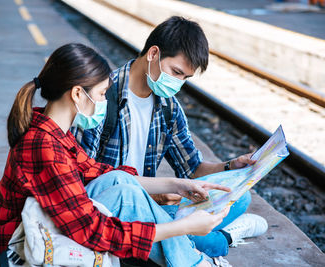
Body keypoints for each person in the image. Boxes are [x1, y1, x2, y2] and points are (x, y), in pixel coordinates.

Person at [0, 43, 233, 267]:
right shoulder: (43, 147)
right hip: (14, 255)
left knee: (120, 184)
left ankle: (194, 247)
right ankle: (196, 255)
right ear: (77, 94)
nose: (105, 102)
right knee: (128, 198)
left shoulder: (54, 132)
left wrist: (179, 185)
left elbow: (101, 172)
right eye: (102, 94)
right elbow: (91, 230)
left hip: (42, 231)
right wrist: (182, 227)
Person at [72, 16, 268, 258]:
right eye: (175, 72)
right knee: (206, 244)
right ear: (153, 54)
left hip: (155, 204)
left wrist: (231, 166)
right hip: (115, 210)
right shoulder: (103, 97)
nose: (177, 84)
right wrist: (155, 195)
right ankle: (222, 238)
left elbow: (192, 169)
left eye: (185, 78)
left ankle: (189, 234)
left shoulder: (169, 107)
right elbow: (82, 180)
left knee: (239, 196)